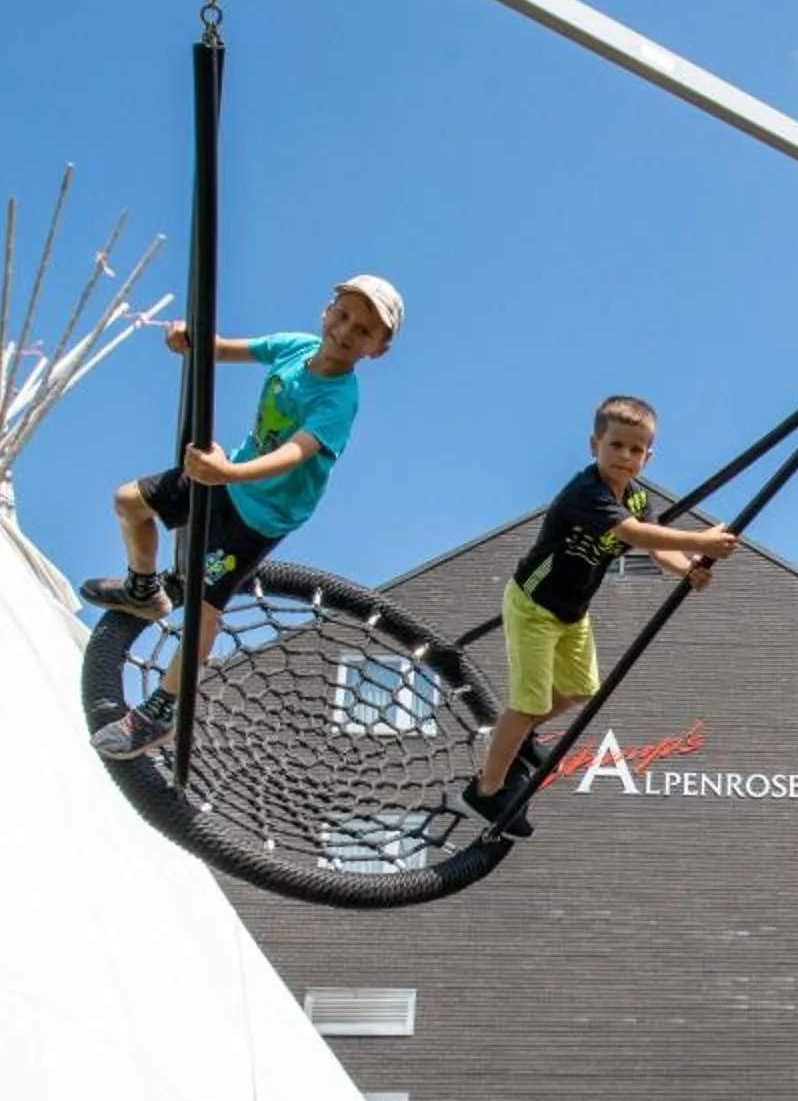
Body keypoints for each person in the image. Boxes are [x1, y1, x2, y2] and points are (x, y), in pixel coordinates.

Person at [83, 275, 402, 759]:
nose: (344, 332)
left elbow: (296, 453)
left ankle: (164, 709)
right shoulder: (295, 348)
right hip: (224, 477)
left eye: (362, 331)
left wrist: (231, 472)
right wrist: (189, 342)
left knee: (204, 610)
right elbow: (223, 350)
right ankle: (144, 589)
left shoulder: (338, 400)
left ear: (377, 350)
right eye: (343, 316)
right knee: (129, 501)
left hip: (260, 515)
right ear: (326, 309)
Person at [462, 395, 737, 835]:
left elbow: (653, 547)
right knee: (528, 701)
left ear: (648, 456)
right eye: (616, 446)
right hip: (534, 605)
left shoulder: (636, 497)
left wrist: (687, 569)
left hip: (572, 611)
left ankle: (521, 736)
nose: (625, 457)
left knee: (577, 689)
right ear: (595, 446)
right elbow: (632, 533)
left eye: (636, 449)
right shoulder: (585, 492)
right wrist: (701, 542)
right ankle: (487, 788)